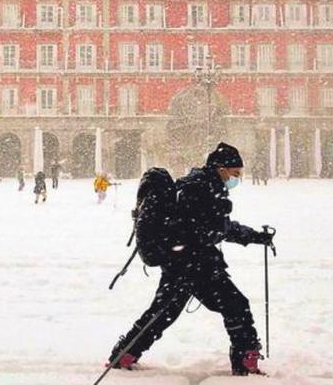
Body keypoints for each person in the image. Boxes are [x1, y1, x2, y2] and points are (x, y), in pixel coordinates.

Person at [107, 142, 275, 376]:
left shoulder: (201, 184)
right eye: (235, 173)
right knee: (236, 306)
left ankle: (125, 353)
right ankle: (246, 360)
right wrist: (231, 228)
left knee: (163, 313)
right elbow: (207, 230)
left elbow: (214, 228)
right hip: (194, 264)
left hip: (183, 261)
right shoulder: (201, 188)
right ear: (221, 168)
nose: (237, 179)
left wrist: (253, 236)